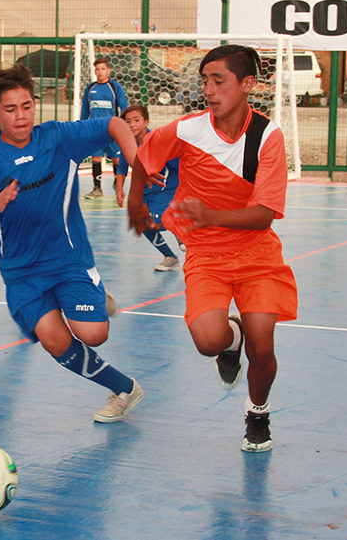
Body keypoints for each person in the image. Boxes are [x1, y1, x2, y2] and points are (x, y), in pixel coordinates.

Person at [127, 45, 298, 452]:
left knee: (263, 346)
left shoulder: (267, 136)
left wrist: (210, 215)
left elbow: (264, 215)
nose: (208, 89)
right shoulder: (188, 129)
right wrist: (135, 202)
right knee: (208, 341)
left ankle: (258, 412)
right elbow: (143, 157)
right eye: (204, 81)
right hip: (206, 253)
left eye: (219, 81)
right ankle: (230, 339)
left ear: (248, 84)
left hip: (257, 254)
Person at [0, 64, 144, 423]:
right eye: (10, 109)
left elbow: (113, 124)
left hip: (67, 259)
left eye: (27, 106)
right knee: (55, 341)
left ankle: (94, 293)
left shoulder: (57, 138)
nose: (21, 116)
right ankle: (124, 389)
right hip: (21, 271)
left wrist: (136, 161)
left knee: (94, 334)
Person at [115, 105, 183, 271]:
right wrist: (120, 190)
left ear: (146, 121)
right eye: (127, 121)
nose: (132, 124)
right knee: (141, 223)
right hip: (144, 191)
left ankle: (179, 227)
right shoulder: (127, 143)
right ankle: (170, 257)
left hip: (164, 187)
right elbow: (122, 167)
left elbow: (179, 164)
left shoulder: (157, 140)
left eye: (136, 120)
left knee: (155, 223)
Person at [81, 56, 128, 199]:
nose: (100, 72)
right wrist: (81, 125)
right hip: (95, 130)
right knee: (96, 157)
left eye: (102, 69)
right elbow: (85, 108)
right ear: (95, 71)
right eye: (97, 69)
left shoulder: (115, 87)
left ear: (108, 71)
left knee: (116, 159)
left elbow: (124, 106)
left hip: (112, 129)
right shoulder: (90, 88)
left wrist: (124, 125)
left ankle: (118, 184)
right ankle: (97, 188)